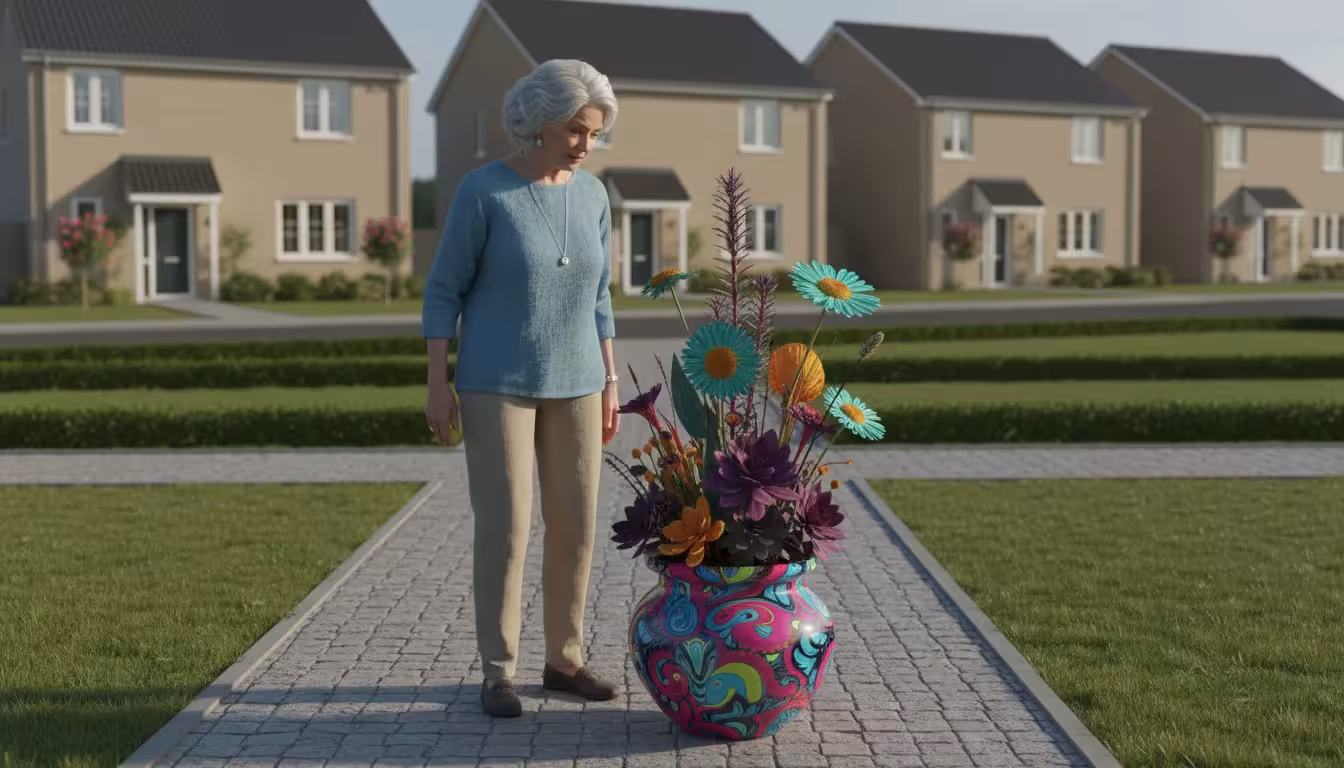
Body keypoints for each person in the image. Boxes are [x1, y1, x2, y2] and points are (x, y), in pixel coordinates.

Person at [422, 59, 622, 718]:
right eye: (574, 130)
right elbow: (443, 290)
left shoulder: (594, 196)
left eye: (593, 132)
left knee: (577, 527)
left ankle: (565, 660)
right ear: (537, 123)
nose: (585, 144)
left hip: (580, 383)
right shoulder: (484, 192)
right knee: (507, 530)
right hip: (494, 383)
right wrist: (438, 383)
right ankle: (497, 671)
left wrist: (611, 379)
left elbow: (600, 298)